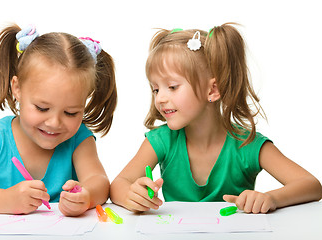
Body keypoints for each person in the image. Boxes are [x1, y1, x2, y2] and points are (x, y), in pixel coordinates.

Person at [110, 23, 322, 214]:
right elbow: (118, 184)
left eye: (172, 87)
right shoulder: (162, 140)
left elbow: (311, 185)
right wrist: (131, 195)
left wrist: (271, 198)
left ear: (213, 90)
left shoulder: (248, 145)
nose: (160, 98)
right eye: (156, 89)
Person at [0, 24, 117, 216]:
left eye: (70, 113)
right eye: (42, 108)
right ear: (17, 88)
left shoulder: (78, 139)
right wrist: (5, 200)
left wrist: (86, 196)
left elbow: (100, 182)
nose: (54, 122)